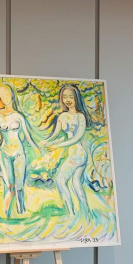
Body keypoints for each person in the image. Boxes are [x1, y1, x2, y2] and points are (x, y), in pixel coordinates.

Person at [0, 83, 41, 216]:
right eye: (2, 95)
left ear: (12, 94)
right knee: (9, 186)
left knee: (20, 186)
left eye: (7, 93)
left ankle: (21, 211)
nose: (5, 97)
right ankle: (6, 214)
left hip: (19, 153)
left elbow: (28, 136)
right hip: (4, 153)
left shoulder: (19, 116)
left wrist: (37, 149)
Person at [46, 84, 93, 219]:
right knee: (76, 183)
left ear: (76, 98)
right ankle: (87, 215)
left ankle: (72, 214)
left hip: (79, 155)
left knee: (60, 180)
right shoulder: (62, 116)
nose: (68, 100)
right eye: (65, 97)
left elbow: (76, 138)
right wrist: (48, 142)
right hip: (73, 155)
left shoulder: (80, 116)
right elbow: (56, 135)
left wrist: (58, 146)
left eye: (71, 97)